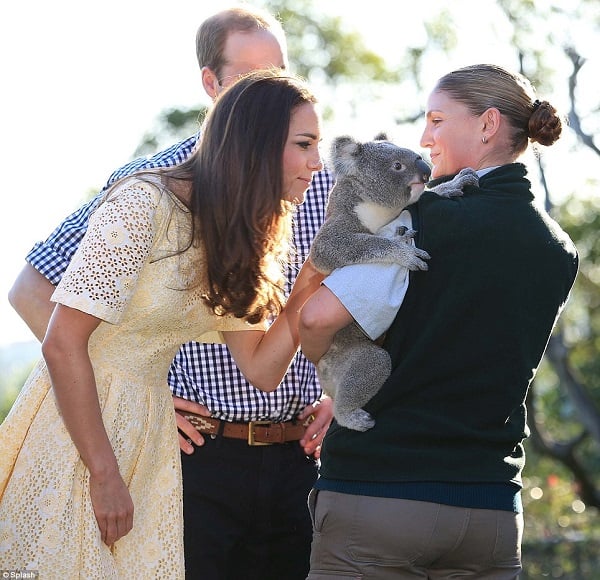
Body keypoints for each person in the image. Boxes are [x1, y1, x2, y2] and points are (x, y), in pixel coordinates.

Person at [8, 6, 334, 579]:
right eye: (304, 145)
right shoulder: (145, 200)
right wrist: (105, 471)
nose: (316, 163)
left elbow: (260, 365)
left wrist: (308, 281)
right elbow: (61, 339)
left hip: (164, 441)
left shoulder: (243, 220)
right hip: (94, 435)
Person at [299, 63, 579, 579]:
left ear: (487, 124)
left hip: (381, 497)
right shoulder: (558, 248)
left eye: (436, 120)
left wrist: (333, 375)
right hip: (490, 514)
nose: (425, 138)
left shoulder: (420, 220)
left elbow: (316, 318)